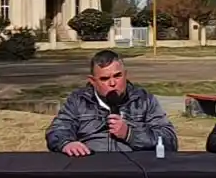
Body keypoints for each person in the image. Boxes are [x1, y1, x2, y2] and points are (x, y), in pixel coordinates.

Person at [46, 49, 178, 156]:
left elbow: (169, 140)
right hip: (91, 169)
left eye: (118, 76)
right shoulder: (78, 101)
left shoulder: (143, 100)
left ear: (125, 75)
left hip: (134, 172)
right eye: (104, 78)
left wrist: (130, 134)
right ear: (92, 81)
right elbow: (57, 130)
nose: (113, 83)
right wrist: (66, 143)